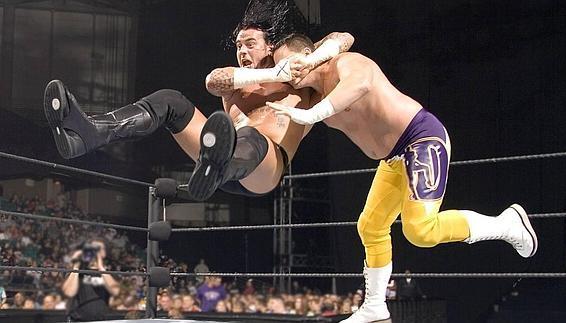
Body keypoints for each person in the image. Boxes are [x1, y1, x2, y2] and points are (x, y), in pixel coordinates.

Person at [265, 34, 538, 323]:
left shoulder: (345, 64)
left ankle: (506, 224)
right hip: (393, 159)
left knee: (420, 230)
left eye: (287, 64)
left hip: (420, 138)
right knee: (370, 226)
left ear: (307, 55)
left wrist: (313, 114)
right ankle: (374, 307)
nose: (286, 73)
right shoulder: (310, 99)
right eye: (279, 69)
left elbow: (361, 84)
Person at [42, 0, 351, 202]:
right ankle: (87, 133)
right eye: (239, 45)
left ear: (270, 46)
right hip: (215, 160)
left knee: (251, 134)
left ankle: (219, 164)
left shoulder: (304, 82)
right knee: (170, 101)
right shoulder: (237, 84)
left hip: (263, 169)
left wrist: (306, 63)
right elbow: (213, 81)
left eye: (250, 44)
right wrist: (273, 71)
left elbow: (343, 38)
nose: (242, 51)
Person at [61, 240, 120, 321]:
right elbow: (69, 292)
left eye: (98, 249)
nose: (95, 252)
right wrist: (76, 266)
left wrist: (101, 267)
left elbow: (115, 291)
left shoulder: (108, 274)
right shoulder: (77, 272)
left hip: (101, 320)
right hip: (78, 320)